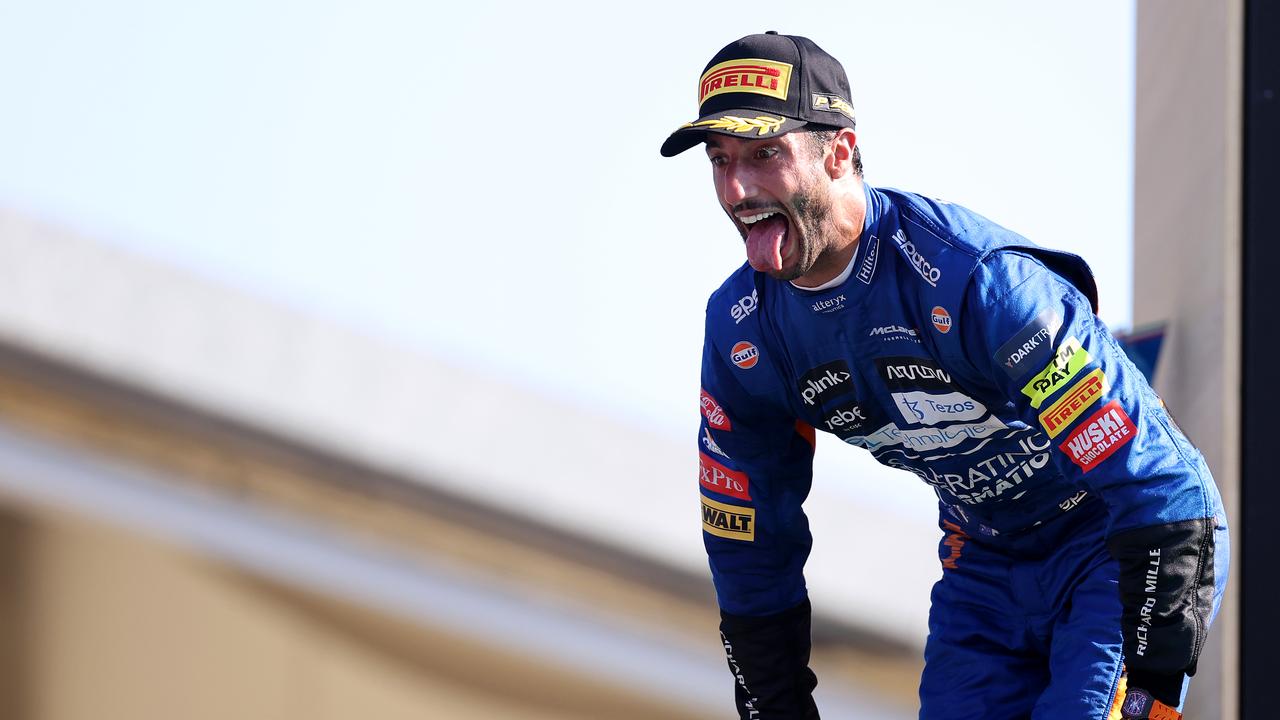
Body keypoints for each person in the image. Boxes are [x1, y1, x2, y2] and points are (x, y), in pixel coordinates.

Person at [661, 31, 1228, 720]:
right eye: (720, 162)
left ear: (839, 153)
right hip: (982, 573)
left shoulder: (982, 286)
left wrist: (1151, 696)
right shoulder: (741, 331)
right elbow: (746, 541)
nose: (738, 190)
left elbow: (1169, 496)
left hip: (1107, 548)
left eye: (764, 155)